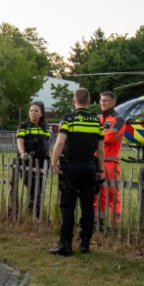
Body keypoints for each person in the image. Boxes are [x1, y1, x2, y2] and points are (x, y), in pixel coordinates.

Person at [50, 88, 105, 256]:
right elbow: (101, 150)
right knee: (87, 205)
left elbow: (60, 143)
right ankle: (85, 243)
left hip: (71, 166)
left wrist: (54, 162)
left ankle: (66, 245)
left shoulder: (68, 120)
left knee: (68, 206)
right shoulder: (96, 122)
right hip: (89, 166)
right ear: (88, 102)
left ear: (74, 101)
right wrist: (100, 169)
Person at [16, 101, 50, 215]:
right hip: (27, 160)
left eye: (36, 111)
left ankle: (35, 210)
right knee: (31, 186)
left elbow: (48, 142)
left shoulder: (44, 127)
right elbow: (20, 141)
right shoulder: (24, 125)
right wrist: (22, 153)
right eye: (31, 111)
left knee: (39, 187)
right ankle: (34, 209)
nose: (33, 113)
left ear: (41, 114)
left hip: (41, 160)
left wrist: (48, 154)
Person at [96, 91, 123, 227]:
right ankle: (98, 221)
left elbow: (110, 137)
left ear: (113, 102)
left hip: (111, 161)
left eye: (105, 100)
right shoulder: (98, 118)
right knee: (97, 192)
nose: (103, 103)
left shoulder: (119, 120)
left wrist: (96, 136)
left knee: (112, 192)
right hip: (96, 160)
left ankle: (115, 223)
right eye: (101, 100)